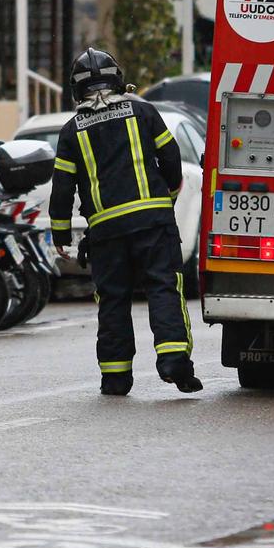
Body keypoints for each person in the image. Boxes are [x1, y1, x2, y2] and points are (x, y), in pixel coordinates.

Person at [47, 48, 202, 397]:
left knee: (113, 300)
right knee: (164, 287)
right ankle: (174, 359)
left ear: (77, 90)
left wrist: (59, 231)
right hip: (153, 222)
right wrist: (167, 197)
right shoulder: (144, 111)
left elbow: (62, 187)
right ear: (117, 79)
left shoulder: (72, 131)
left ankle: (115, 378)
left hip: (106, 232)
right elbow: (171, 158)